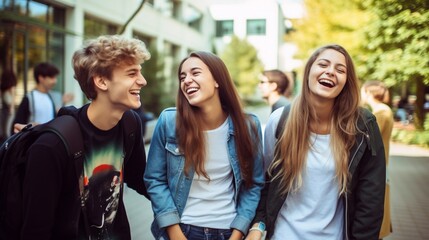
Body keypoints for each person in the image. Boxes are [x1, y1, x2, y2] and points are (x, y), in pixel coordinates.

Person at [14, 35, 150, 239]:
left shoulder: (130, 124)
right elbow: (36, 230)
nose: (143, 81)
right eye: (132, 73)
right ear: (102, 81)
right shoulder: (51, 147)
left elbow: (142, 180)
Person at [247, 44, 386, 240]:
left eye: (340, 70)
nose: (330, 72)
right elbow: (266, 181)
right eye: (323, 64)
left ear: (346, 81)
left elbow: (371, 199)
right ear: (309, 72)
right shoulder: (280, 121)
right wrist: (258, 225)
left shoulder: (363, 126)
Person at [144, 51, 264, 240]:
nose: (187, 80)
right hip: (183, 229)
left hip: (229, 230)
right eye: (182, 77)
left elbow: (254, 184)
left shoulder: (248, 126)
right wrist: (174, 232)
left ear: (217, 80)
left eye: (195, 73)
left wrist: (239, 231)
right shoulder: (169, 122)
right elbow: (154, 179)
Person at [361, 80, 394, 239]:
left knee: (377, 207)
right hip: (382, 165)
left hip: (377, 167)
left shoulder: (380, 113)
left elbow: (370, 140)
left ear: (368, 92)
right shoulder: (383, 110)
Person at [11, 62, 74, 134]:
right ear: (41, 78)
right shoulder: (29, 98)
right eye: (51, 77)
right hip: (32, 141)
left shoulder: (51, 97)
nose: (55, 81)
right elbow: (17, 124)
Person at [0, 69, 17, 143]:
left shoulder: (11, 87)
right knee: (3, 130)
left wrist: (12, 108)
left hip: (10, 110)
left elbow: (13, 98)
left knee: (7, 130)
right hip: (4, 109)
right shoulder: (4, 88)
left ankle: (8, 145)